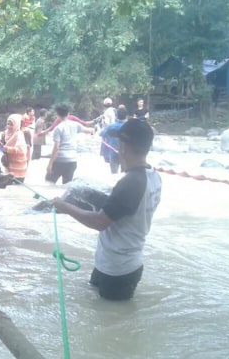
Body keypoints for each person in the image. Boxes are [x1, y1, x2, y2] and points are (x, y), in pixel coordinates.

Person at [52, 119, 162, 301]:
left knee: (112, 322)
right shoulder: (154, 176)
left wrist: (65, 206)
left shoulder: (130, 183)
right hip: (118, 264)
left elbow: (99, 222)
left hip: (117, 270)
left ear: (123, 146)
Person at [46, 104, 94, 184]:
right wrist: (93, 130)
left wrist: (50, 164)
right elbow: (89, 130)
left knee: (48, 183)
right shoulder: (75, 124)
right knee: (66, 186)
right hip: (72, 161)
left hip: (59, 160)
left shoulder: (58, 128)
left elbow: (56, 147)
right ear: (68, 114)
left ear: (57, 115)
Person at [0, 114, 29, 182]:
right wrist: (2, 149)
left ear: (17, 124)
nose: (9, 126)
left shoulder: (19, 135)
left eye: (11, 124)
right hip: (8, 165)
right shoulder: (4, 134)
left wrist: (6, 149)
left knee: (18, 186)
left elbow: (21, 150)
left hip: (19, 167)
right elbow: (0, 148)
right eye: (8, 124)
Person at [100, 105, 127, 174]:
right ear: (126, 116)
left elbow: (102, 134)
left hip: (113, 153)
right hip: (126, 154)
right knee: (125, 174)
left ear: (116, 116)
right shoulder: (130, 126)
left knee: (114, 174)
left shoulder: (111, 127)